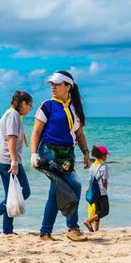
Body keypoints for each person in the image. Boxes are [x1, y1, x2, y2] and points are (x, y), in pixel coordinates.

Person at [30, 71, 90, 242]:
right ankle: (72, 228)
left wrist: (85, 153)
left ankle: (45, 232)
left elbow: (79, 134)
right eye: (52, 85)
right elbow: (36, 132)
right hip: (48, 152)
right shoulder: (47, 106)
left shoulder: (75, 108)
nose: (53, 88)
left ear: (68, 86)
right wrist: (33, 154)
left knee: (57, 191)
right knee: (75, 185)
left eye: (57, 84)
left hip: (67, 155)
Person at [0, 91, 33, 235]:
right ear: (23, 104)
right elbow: (11, 138)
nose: (30, 109)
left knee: (11, 194)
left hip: (2, 159)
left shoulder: (10, 113)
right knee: (24, 191)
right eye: (30, 105)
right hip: (6, 160)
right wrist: (14, 161)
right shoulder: (13, 115)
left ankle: (8, 230)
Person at [84, 145, 110, 232]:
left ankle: (96, 230)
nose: (106, 157)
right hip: (101, 192)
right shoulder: (104, 166)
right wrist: (105, 190)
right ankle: (89, 221)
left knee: (98, 210)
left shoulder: (92, 166)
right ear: (102, 156)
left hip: (94, 191)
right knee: (105, 211)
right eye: (106, 155)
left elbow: (90, 180)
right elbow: (104, 181)